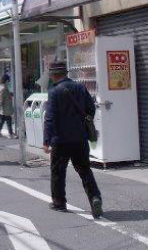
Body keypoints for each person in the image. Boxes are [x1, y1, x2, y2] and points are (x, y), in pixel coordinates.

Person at [43, 62, 103, 218]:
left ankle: (59, 203)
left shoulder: (54, 92)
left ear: (53, 75)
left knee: (58, 171)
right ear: (66, 73)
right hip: (80, 138)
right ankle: (95, 198)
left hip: (61, 140)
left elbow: (50, 118)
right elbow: (91, 108)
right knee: (85, 170)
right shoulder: (80, 87)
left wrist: (46, 140)